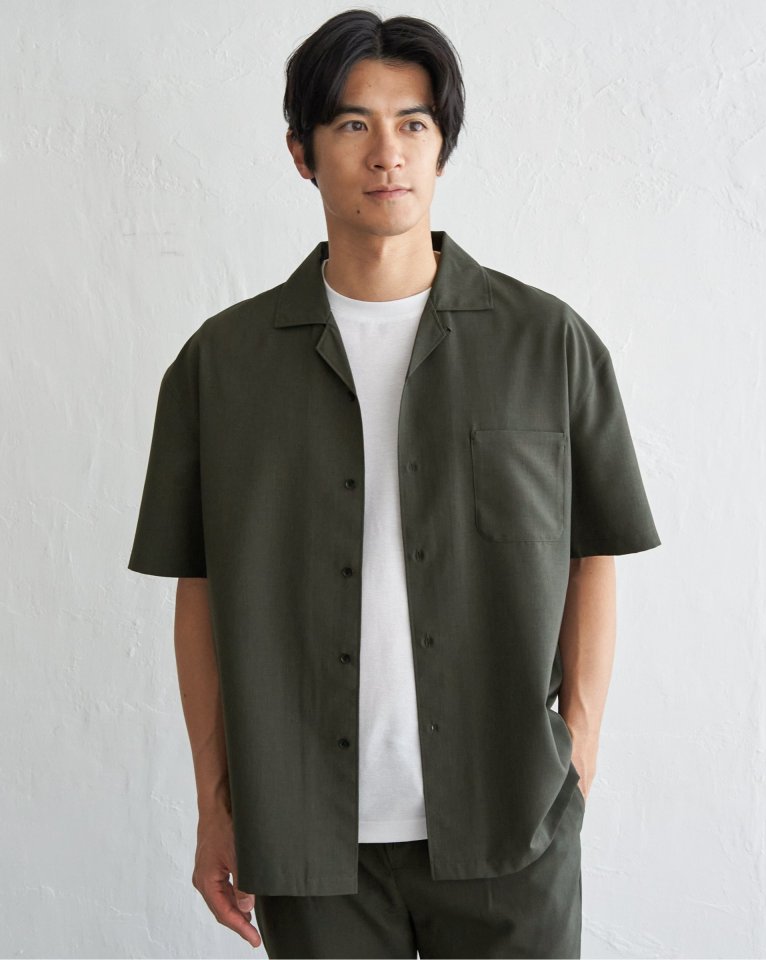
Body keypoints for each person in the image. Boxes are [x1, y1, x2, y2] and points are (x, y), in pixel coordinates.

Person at [128, 9, 662, 959]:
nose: (388, 153)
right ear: (301, 153)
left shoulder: (547, 345)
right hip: (307, 840)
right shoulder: (222, 365)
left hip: (511, 827)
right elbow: (198, 591)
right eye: (352, 124)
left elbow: (593, 557)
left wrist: (575, 753)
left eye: (414, 123)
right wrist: (215, 805)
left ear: (442, 145)